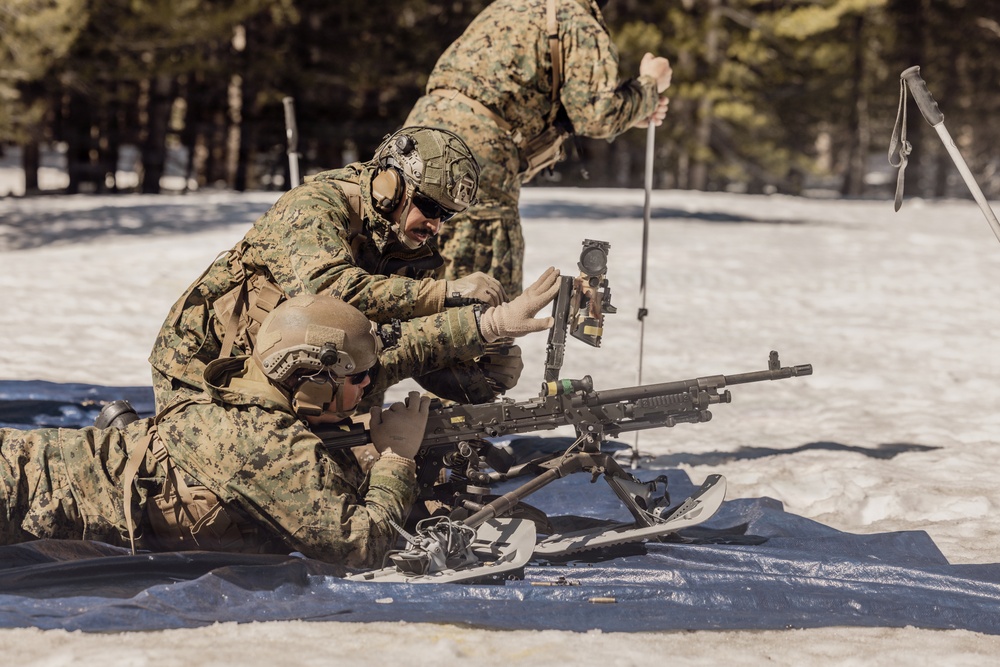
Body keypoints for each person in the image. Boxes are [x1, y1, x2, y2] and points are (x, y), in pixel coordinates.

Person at [0, 283, 559, 568]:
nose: (370, 386)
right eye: (357, 379)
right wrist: (394, 459)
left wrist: (486, 326)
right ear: (309, 380)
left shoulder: (249, 384)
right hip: (18, 494)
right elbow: (359, 546)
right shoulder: (265, 443)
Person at [149, 125, 511, 414]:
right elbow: (331, 293)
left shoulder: (409, 247)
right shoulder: (315, 205)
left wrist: (479, 364)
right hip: (210, 368)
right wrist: (447, 293)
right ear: (391, 184)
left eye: (446, 216)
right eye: (430, 207)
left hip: (305, 374)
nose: (435, 226)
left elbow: (406, 342)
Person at [404, 0, 672, 297]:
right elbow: (596, 115)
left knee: (406, 291)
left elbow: (518, 96)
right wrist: (649, 86)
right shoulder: (578, 20)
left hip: (410, 149)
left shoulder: (509, 6)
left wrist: (630, 113)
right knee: (484, 307)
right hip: (474, 170)